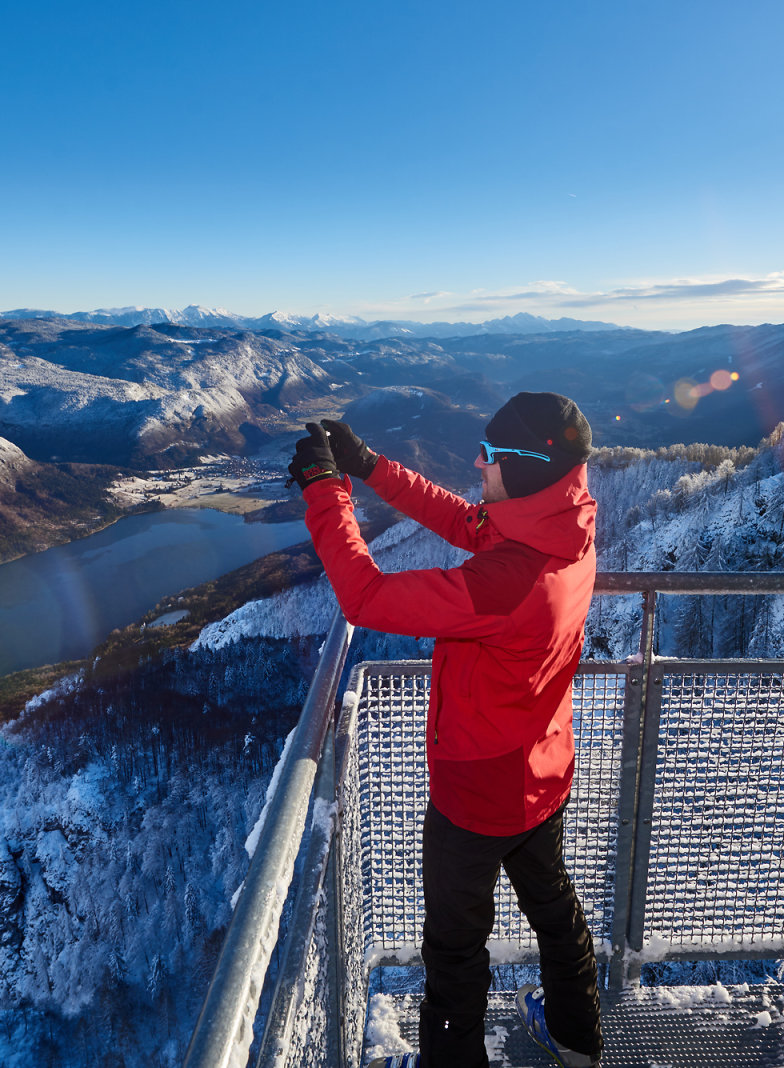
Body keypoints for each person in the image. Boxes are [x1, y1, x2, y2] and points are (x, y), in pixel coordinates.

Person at [288, 391, 603, 1068]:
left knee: (455, 953)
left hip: (475, 796)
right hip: (542, 770)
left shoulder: (510, 581)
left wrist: (325, 493)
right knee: (553, 907)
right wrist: (370, 465)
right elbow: (468, 521)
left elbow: (365, 598)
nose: (476, 461)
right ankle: (580, 1043)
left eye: (489, 455)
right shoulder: (564, 526)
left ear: (522, 469)